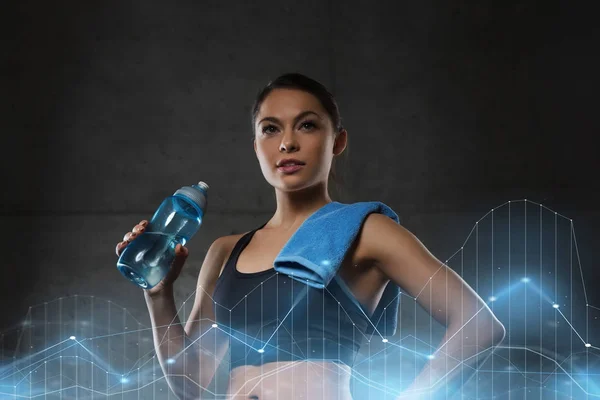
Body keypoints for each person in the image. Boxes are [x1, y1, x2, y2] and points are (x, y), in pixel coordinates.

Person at [115, 73, 505, 400]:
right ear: (257, 147)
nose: (287, 142)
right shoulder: (226, 251)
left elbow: (478, 323)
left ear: (337, 140)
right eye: (271, 129)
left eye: (307, 125)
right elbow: (190, 382)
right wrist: (158, 294)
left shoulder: (366, 230)